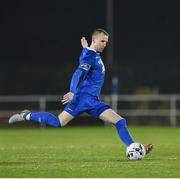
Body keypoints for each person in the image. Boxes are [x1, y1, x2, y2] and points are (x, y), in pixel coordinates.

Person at [9, 28, 153, 154]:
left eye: (106, 42)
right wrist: (72, 92)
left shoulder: (90, 53)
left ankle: (134, 147)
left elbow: (86, 55)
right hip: (82, 99)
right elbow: (78, 73)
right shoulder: (90, 56)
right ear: (95, 40)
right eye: (102, 41)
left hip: (92, 100)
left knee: (120, 121)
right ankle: (26, 115)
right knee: (58, 122)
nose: (105, 44)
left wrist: (85, 47)